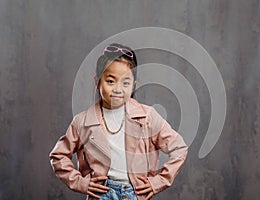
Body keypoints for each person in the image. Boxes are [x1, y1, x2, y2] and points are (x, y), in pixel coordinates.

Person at [49, 43, 188, 200]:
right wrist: (81, 182)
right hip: (100, 193)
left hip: (135, 194)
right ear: (97, 82)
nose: (118, 89)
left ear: (133, 85)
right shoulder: (83, 121)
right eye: (110, 81)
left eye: (125, 83)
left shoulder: (147, 116)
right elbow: (58, 156)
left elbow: (179, 148)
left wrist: (159, 181)